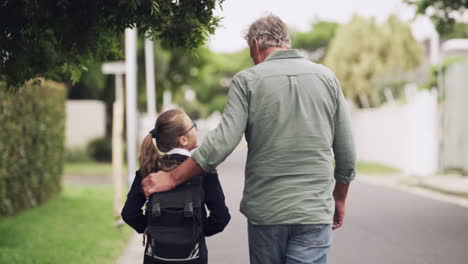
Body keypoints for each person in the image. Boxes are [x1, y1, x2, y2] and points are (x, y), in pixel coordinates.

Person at [142, 15, 356, 264]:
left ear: (255, 44)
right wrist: (339, 198)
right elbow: (347, 153)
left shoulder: (247, 80)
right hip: (314, 212)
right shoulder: (327, 78)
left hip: (267, 213)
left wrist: (172, 177)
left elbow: (221, 143)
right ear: (286, 42)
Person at [121, 109, 231, 264]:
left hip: (156, 256)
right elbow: (221, 217)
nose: (196, 128)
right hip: (193, 257)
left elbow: (129, 214)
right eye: (193, 125)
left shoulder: (148, 171)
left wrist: (151, 228)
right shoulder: (203, 172)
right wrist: (197, 231)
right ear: (183, 140)